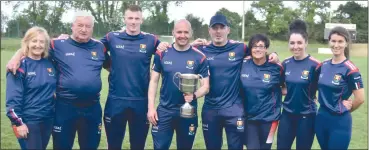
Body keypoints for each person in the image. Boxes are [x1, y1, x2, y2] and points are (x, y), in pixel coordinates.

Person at [157, 12, 279, 149]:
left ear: (228, 30)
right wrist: (164, 45)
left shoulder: (240, 48)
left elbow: (259, 50)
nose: (218, 31)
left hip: (234, 110)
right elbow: (181, 47)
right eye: (215, 28)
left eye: (222, 27)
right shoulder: (201, 49)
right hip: (210, 110)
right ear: (209, 30)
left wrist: (273, 54)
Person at [6, 11, 108, 149]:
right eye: (80, 25)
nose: (84, 29)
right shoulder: (57, 45)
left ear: (92, 28)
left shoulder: (99, 46)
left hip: (92, 107)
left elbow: (112, 67)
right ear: (72, 26)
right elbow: (35, 45)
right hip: (65, 107)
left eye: (88, 26)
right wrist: (16, 56)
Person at [100, 5, 161, 150]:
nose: (133, 22)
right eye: (130, 18)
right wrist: (110, 67)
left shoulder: (151, 40)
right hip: (116, 101)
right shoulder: (111, 37)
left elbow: (173, 51)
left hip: (141, 101)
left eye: (137, 18)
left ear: (141, 20)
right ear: (124, 19)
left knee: (138, 146)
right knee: (113, 145)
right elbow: (92, 48)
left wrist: (193, 46)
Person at [147, 19, 210, 150]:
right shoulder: (162, 53)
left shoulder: (200, 57)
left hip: (188, 113)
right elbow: (153, 81)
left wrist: (194, 95)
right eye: (179, 32)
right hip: (164, 111)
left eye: (186, 32)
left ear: (191, 33)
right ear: (173, 33)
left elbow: (206, 86)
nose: (182, 35)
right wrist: (151, 108)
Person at [314, 26, 365, 150]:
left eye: (340, 41)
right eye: (333, 41)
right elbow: (313, 85)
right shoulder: (323, 65)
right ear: (329, 42)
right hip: (321, 118)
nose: (336, 45)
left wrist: (345, 108)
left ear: (346, 43)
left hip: (339, 122)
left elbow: (360, 98)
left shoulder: (351, 69)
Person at [6, 26, 56, 150]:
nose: (38, 45)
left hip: (47, 120)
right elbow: (12, 99)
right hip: (28, 121)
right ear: (27, 42)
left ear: (46, 45)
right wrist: (18, 123)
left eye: (42, 42)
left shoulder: (49, 64)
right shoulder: (18, 67)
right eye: (34, 41)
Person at [276, 20, 320, 150]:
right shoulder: (285, 63)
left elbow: (326, 86)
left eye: (299, 43)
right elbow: (281, 85)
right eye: (292, 43)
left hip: (307, 116)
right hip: (287, 115)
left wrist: (343, 99)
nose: (296, 46)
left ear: (306, 43)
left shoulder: (316, 65)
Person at [240, 34, 284, 150]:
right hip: (249, 118)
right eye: (254, 46)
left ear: (266, 49)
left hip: (270, 119)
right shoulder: (243, 63)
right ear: (250, 49)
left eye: (261, 46)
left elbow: (286, 86)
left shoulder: (276, 67)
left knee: (266, 148)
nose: (257, 49)